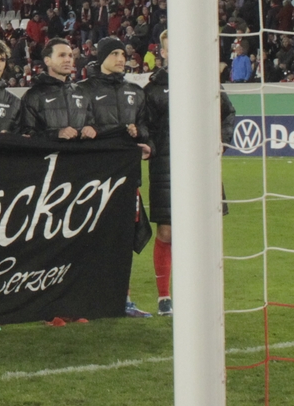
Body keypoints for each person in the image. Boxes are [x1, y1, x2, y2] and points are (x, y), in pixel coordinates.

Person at [140, 30, 238, 317]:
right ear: (164, 52)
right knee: (168, 232)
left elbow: (228, 114)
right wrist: (151, 146)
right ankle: (164, 297)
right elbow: (145, 124)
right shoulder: (154, 88)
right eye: (171, 47)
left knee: (203, 232)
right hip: (166, 165)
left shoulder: (206, 81)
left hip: (201, 165)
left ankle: (202, 294)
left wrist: (221, 139)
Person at [83, 36, 155, 319]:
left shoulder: (135, 92)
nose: (120, 58)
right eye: (113, 53)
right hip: (93, 178)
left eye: (122, 53)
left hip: (128, 179)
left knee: (124, 238)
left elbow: (147, 128)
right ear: (101, 56)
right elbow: (80, 126)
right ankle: (88, 296)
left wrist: (144, 138)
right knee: (91, 237)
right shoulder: (83, 91)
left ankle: (123, 299)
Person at [15, 38, 93, 140]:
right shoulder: (33, 95)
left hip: (78, 155)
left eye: (70, 55)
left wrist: (91, 129)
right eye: (61, 55)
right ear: (47, 61)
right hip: (50, 155)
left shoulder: (82, 92)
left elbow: (92, 123)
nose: (67, 60)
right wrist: (56, 134)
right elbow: (27, 135)